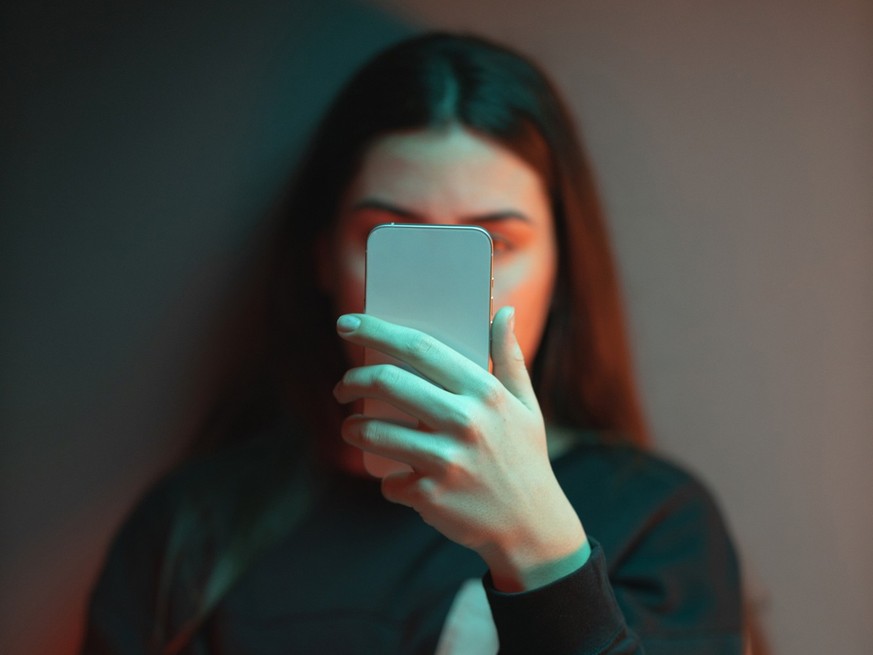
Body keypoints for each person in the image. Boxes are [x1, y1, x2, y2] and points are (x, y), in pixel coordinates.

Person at [81, 32, 743, 655]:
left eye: (495, 242)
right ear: (322, 258)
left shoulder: (657, 522)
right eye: (390, 237)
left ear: (560, 268)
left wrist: (539, 554)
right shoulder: (189, 528)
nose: (443, 288)